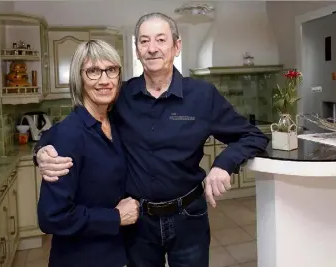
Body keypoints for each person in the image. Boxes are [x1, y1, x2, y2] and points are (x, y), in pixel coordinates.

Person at [34, 12, 269, 267]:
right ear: (136, 50)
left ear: (176, 46)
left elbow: (252, 135)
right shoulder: (119, 95)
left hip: (188, 216)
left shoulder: (202, 96)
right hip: (138, 223)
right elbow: (71, 129)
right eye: (144, 41)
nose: (152, 48)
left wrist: (223, 165)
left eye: (160, 39)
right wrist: (40, 152)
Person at [36, 40, 140, 267]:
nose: (104, 80)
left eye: (111, 70)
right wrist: (115, 217)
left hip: (118, 253)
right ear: (79, 79)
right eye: (93, 71)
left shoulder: (116, 124)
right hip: (81, 258)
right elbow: (51, 217)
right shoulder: (68, 135)